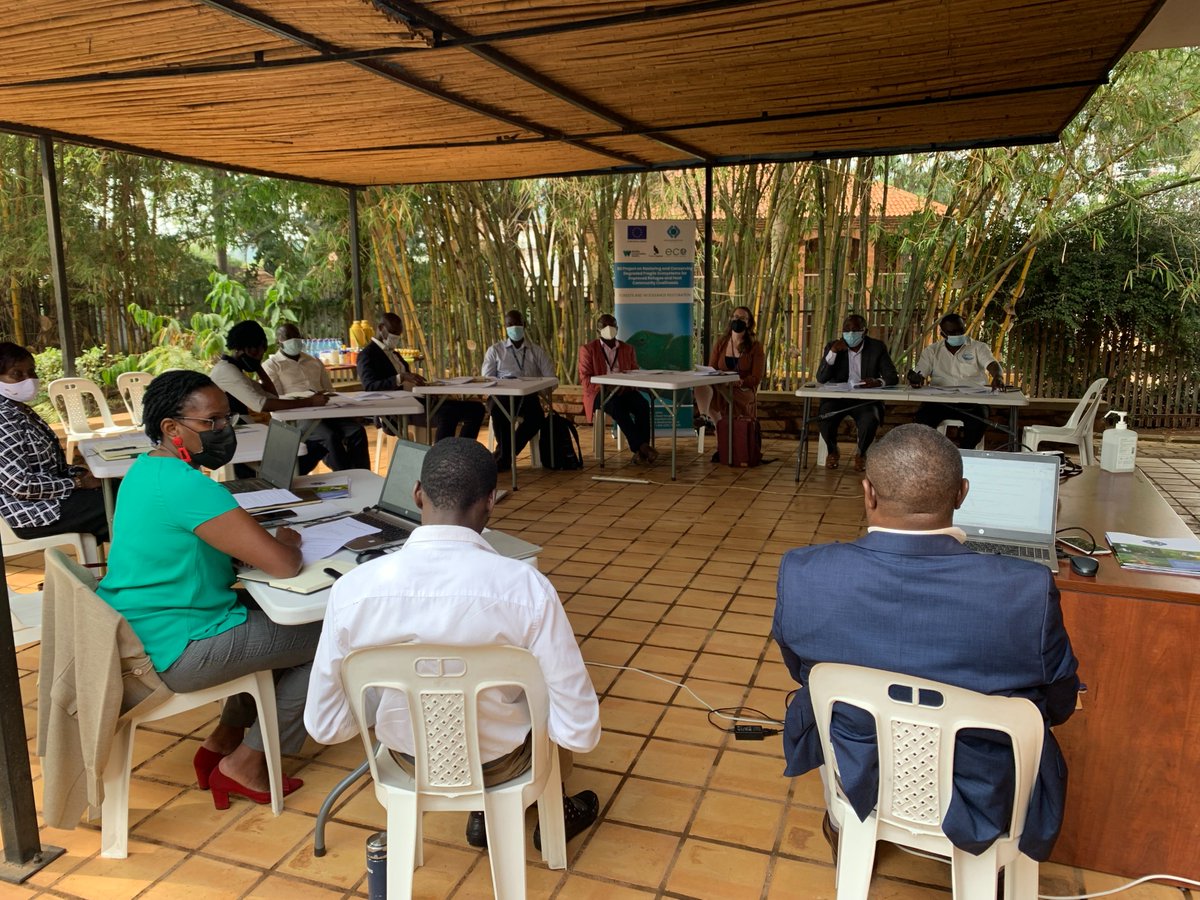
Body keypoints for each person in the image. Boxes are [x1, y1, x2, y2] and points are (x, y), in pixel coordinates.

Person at [773, 423, 1079, 862]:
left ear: (869, 493)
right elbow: (1059, 700)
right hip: (980, 785)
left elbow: (802, 671)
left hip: (858, 763)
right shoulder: (1027, 590)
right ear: (962, 494)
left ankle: (849, 829)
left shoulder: (804, 573)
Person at [305, 438, 601, 849]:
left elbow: (326, 726)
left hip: (409, 761)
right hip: (502, 762)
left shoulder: (354, 590)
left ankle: (483, 812)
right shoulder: (526, 588)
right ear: (491, 501)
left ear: (417, 494)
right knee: (546, 703)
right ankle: (541, 811)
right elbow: (579, 730)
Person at [97, 371, 322, 809]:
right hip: (179, 647)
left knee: (272, 623)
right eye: (211, 423)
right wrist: (288, 541)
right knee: (332, 636)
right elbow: (282, 565)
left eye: (226, 420)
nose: (223, 432)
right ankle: (248, 763)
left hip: (146, 629)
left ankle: (223, 741)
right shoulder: (187, 485)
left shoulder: (145, 470)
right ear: (170, 427)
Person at [0, 341, 108, 543]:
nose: (29, 379)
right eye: (17, 374)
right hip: (32, 512)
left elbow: (50, 467)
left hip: (52, 499)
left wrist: (80, 473)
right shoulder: (2, 418)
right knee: (121, 506)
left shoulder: (20, 410)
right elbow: (19, 485)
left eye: (31, 372)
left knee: (122, 490)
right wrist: (76, 483)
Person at [210, 320, 331, 475]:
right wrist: (310, 401)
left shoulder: (234, 368)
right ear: (246, 350)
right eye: (257, 354)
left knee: (308, 448)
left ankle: (282, 474)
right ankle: (277, 475)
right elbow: (262, 404)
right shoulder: (227, 371)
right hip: (234, 435)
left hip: (243, 430)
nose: (260, 358)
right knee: (308, 450)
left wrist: (258, 368)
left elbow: (271, 395)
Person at [357, 312, 484, 443]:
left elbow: (408, 380)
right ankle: (440, 459)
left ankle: (460, 452)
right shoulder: (367, 355)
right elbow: (370, 386)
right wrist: (400, 378)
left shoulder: (394, 353)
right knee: (447, 413)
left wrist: (423, 385)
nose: (395, 337)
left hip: (420, 400)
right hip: (398, 409)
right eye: (392, 332)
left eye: (398, 334)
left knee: (476, 409)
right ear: (380, 328)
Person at [263, 323, 370, 470]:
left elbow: (328, 390)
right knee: (329, 437)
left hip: (325, 411)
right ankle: (346, 475)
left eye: (297, 337)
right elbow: (277, 400)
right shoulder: (271, 366)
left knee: (356, 431)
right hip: (297, 417)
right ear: (278, 342)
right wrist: (307, 401)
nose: (295, 340)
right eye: (289, 338)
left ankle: (362, 474)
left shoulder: (313, 361)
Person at [907, 313, 1006, 449]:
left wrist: (998, 377)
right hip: (940, 402)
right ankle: (932, 455)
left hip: (973, 402)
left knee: (978, 422)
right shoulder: (932, 351)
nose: (958, 334)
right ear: (943, 334)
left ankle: (965, 454)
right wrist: (916, 379)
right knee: (922, 422)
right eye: (952, 332)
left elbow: (993, 365)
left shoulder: (978, 347)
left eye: (961, 331)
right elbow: (920, 373)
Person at [815, 314, 899, 471]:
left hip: (865, 399)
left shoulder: (876, 347)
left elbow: (892, 376)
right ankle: (832, 450)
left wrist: (878, 382)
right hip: (838, 398)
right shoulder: (833, 346)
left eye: (855, 330)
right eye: (846, 330)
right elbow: (821, 378)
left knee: (870, 419)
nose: (850, 334)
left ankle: (861, 453)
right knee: (825, 417)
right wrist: (832, 352)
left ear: (864, 331)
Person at [481, 310, 556, 472]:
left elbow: (552, 379)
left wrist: (536, 386)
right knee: (498, 412)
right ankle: (505, 457)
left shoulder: (537, 351)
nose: (514, 327)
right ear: (505, 327)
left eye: (518, 324)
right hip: (502, 396)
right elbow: (486, 379)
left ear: (525, 325)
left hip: (527, 397)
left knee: (536, 418)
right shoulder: (495, 350)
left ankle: (504, 456)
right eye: (510, 324)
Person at [578, 313, 657, 464]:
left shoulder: (628, 349)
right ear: (598, 330)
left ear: (617, 328)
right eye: (604, 326)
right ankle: (642, 447)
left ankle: (641, 452)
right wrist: (606, 385)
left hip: (625, 390)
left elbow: (635, 373)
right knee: (617, 407)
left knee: (642, 405)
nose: (609, 329)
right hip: (600, 393)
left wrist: (625, 385)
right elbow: (585, 380)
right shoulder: (588, 350)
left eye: (612, 326)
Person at [694, 306, 765, 458]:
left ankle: (722, 442)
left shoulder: (755, 347)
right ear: (731, 319)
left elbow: (756, 378)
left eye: (742, 318)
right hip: (721, 385)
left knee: (723, 400)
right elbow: (711, 368)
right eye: (735, 317)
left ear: (748, 323)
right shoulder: (721, 343)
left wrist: (739, 382)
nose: (738, 321)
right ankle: (705, 418)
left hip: (742, 389)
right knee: (702, 386)